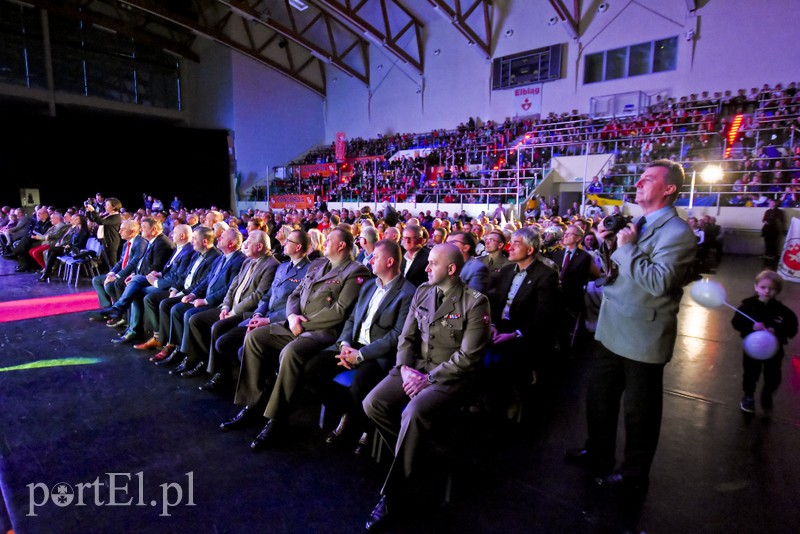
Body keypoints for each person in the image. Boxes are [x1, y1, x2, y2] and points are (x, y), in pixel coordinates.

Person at [565, 160, 697, 491]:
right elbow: (619, 273)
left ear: (668, 189)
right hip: (612, 329)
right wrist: (609, 245)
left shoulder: (678, 233)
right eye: (638, 179)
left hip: (643, 335)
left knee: (640, 414)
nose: (638, 184)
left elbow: (659, 282)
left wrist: (625, 248)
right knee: (599, 399)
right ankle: (598, 452)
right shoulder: (639, 221)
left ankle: (634, 474)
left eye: (647, 180)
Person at [362, 243, 490, 531]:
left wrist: (427, 379)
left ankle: (393, 495)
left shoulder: (474, 302)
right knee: (372, 402)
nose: (426, 267)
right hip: (415, 368)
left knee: (414, 411)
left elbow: (468, 357)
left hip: (449, 378)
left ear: (452, 269)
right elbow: (406, 338)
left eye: (432, 263)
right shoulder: (422, 292)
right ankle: (417, 454)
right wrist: (405, 369)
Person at [220, 227, 370, 449]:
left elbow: (339, 312)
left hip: (322, 332)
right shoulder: (317, 265)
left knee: (290, 353)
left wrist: (301, 323)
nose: (324, 241)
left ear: (341, 245)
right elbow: (295, 294)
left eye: (329, 239)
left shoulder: (356, 272)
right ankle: (252, 403)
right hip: (294, 323)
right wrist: (291, 317)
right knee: (254, 338)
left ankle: (277, 420)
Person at [305, 239, 415, 454]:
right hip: (352, 346)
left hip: (377, 354)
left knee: (359, 387)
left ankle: (366, 428)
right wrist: (345, 344)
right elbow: (352, 319)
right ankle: (349, 413)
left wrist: (361, 355)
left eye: (376, 257)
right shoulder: (368, 286)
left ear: (390, 261)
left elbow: (396, 336)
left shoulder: (408, 293)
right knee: (311, 370)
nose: (370, 260)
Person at [732, 270, 797, 413]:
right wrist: (751, 327)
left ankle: (767, 393)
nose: (767, 291)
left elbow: (792, 328)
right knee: (750, 373)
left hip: (774, 350)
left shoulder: (783, 311)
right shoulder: (747, 307)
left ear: (777, 291)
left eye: (772, 288)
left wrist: (776, 331)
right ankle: (748, 396)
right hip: (752, 349)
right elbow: (736, 323)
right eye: (763, 287)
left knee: (773, 376)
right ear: (756, 287)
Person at [761, 199, 785, 269]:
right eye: (771, 202)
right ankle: (767, 254)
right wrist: (766, 222)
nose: (771, 203)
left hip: (774, 229)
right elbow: (763, 219)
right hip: (767, 228)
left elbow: (780, 220)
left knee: (773, 242)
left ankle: (772, 254)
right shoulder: (767, 211)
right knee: (767, 241)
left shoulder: (779, 211)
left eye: (773, 202)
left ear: (776, 203)